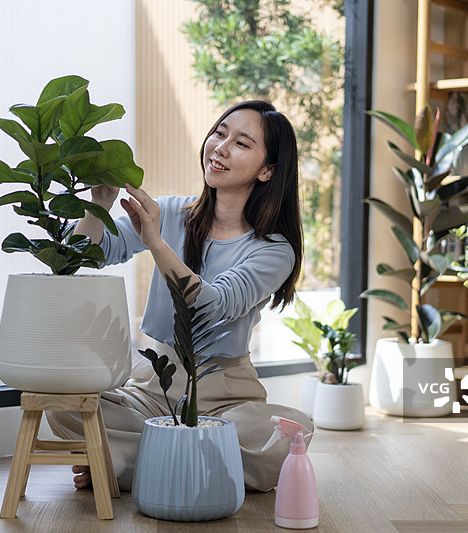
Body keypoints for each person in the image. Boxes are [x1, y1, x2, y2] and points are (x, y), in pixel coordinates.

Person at [46, 100, 314, 492]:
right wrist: (96, 205)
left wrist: (155, 241)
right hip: (150, 390)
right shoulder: (172, 212)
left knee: (292, 432)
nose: (220, 147)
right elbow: (86, 254)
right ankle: (180, 465)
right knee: (62, 403)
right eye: (219, 133)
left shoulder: (274, 250)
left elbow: (212, 305)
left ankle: (132, 466)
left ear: (267, 170)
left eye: (241, 143)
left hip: (224, 400)